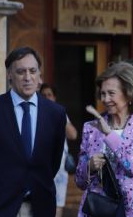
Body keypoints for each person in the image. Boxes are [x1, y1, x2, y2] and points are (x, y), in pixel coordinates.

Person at [0, 47, 66, 216]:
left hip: (39, 206)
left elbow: (54, 161)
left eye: (32, 71)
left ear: (39, 75)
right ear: (9, 75)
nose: (28, 78)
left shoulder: (55, 113)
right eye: (21, 72)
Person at [75, 62, 133, 216]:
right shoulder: (91, 128)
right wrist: (89, 167)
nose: (105, 99)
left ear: (128, 94)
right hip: (99, 210)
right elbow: (80, 182)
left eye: (111, 93)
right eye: (103, 93)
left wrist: (109, 134)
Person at [39, 83, 77, 217]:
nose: (47, 98)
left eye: (49, 95)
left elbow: (73, 134)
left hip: (59, 169)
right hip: (40, 169)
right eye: (43, 96)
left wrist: (57, 114)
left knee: (58, 204)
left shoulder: (59, 113)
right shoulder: (33, 112)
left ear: (54, 98)